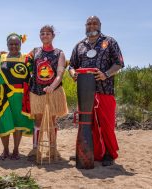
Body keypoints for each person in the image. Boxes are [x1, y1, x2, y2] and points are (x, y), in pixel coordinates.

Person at [69, 16, 124, 166]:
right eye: (89, 23)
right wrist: (73, 74)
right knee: (86, 123)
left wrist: (105, 74)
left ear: (100, 25)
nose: (91, 26)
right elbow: (71, 66)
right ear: (85, 26)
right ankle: (86, 150)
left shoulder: (110, 42)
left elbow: (119, 63)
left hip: (104, 90)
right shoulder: (79, 45)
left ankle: (109, 154)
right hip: (84, 91)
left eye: (95, 23)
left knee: (106, 124)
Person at [0, 33, 34, 160]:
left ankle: (15, 150)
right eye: (11, 44)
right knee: (4, 122)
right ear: (7, 45)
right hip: (4, 96)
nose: (14, 46)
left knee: (18, 124)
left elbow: (34, 74)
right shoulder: (0, 58)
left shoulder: (27, 58)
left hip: (20, 96)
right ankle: (5, 150)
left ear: (21, 44)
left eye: (16, 44)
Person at [28, 25, 69, 160]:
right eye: (42, 33)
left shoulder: (59, 53)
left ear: (53, 36)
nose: (45, 35)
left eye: (48, 33)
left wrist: (52, 86)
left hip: (54, 91)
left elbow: (60, 73)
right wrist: (2, 55)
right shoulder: (34, 51)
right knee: (38, 119)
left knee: (52, 119)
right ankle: (35, 149)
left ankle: (52, 149)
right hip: (37, 91)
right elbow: (22, 61)